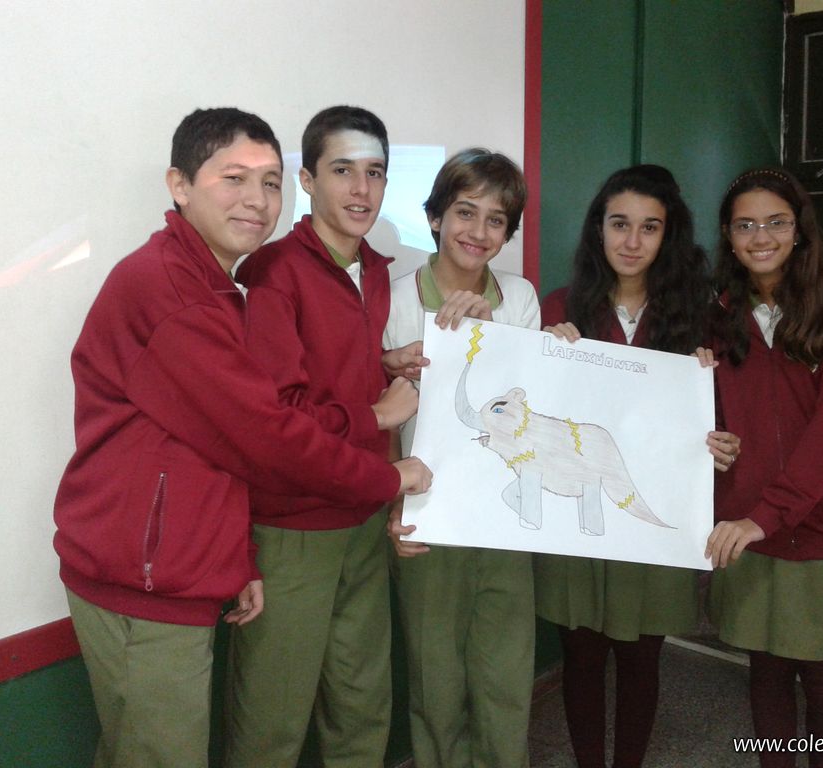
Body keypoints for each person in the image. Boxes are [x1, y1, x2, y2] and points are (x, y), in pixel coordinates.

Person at [52, 107, 431, 768]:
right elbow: (267, 432)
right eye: (233, 178)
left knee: (355, 705)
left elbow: (216, 443)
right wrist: (388, 466)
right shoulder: (186, 290)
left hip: (202, 556)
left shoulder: (218, 283)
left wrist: (236, 559)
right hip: (150, 572)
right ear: (180, 185)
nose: (256, 199)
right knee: (207, 740)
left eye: (267, 182)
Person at [224, 105, 417, 768]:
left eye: (375, 173)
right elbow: (276, 416)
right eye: (342, 171)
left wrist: (384, 364)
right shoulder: (273, 272)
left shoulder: (376, 271)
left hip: (362, 515)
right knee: (271, 721)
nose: (362, 190)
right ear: (307, 180)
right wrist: (377, 416)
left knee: (362, 709)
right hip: (293, 529)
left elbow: (334, 372)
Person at [536, 164, 740, 768]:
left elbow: (721, 423)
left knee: (641, 658)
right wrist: (545, 355)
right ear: (598, 229)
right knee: (581, 656)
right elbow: (538, 416)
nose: (632, 241)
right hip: (579, 514)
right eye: (619, 224)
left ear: (667, 235)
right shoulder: (561, 307)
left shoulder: (700, 316)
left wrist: (721, 442)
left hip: (654, 518)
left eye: (649, 227)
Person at [704, 168, 823, 768]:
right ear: (728, 236)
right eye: (745, 225)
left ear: (799, 229)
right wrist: (714, 439)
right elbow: (716, 415)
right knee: (767, 672)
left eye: (776, 222)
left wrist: (767, 514)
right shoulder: (719, 315)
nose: (761, 237)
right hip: (748, 524)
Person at [384, 148, 540, 768]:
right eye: (465, 212)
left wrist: (492, 329)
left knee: (506, 675)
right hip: (427, 514)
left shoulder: (519, 298)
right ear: (435, 218)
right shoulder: (395, 299)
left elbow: (534, 400)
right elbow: (381, 414)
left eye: (496, 220)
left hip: (506, 514)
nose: (478, 231)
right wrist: (392, 507)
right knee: (435, 677)